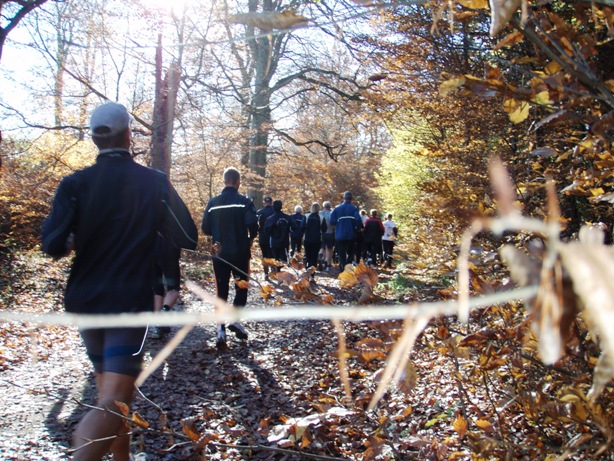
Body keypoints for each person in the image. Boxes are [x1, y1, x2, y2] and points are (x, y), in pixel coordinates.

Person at [41, 101, 198, 461]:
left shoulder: (74, 184)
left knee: (113, 393)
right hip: (128, 303)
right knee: (113, 400)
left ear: (95, 140)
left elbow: (51, 243)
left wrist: (72, 237)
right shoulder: (153, 183)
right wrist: (153, 225)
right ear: (129, 135)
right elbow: (187, 236)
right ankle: (83, 450)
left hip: (86, 300)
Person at [202, 167, 258, 350]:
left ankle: (220, 330)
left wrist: (218, 233)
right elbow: (252, 223)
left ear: (224, 180)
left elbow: (205, 228)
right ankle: (234, 319)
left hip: (219, 253)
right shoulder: (244, 202)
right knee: (241, 286)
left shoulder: (212, 203)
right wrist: (250, 238)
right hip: (240, 252)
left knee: (221, 290)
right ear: (238, 182)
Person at [151, 233, 182, 339]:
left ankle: (157, 325)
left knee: (157, 291)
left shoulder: (143, 215)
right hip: (170, 250)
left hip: (150, 251)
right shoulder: (176, 215)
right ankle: (165, 311)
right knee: (173, 289)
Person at [330, 191, 362, 271]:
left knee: (341, 252)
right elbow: (358, 220)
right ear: (351, 199)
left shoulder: (337, 208)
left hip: (340, 234)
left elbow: (332, 221)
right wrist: (357, 229)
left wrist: (338, 224)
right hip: (351, 234)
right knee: (351, 252)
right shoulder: (354, 208)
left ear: (343, 198)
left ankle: (342, 266)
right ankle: (348, 266)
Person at [263, 200, 293, 264]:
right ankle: (279, 272)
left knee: (275, 261)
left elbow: (266, 231)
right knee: (282, 261)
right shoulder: (287, 217)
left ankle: (277, 272)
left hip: (274, 242)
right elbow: (294, 227)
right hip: (284, 242)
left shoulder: (270, 219)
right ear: (281, 207)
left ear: (273, 207)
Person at [303, 202, 327, 269]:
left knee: (308, 255)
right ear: (319, 209)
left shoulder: (306, 216)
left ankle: (307, 268)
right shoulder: (321, 217)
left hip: (307, 238)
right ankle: (312, 272)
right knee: (314, 256)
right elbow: (324, 229)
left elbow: (302, 227)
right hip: (317, 239)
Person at [256, 196, 275, 278]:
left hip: (263, 236)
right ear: (271, 202)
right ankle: (273, 272)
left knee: (264, 255)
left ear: (264, 203)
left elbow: (255, 224)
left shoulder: (259, 212)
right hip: (273, 237)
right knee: (273, 254)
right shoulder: (275, 212)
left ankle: (266, 273)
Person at [319, 201, 334, 272]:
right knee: (329, 248)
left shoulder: (319, 213)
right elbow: (333, 223)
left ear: (323, 206)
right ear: (330, 206)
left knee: (322, 247)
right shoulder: (331, 213)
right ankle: (328, 264)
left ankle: (321, 258)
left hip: (321, 233)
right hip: (329, 232)